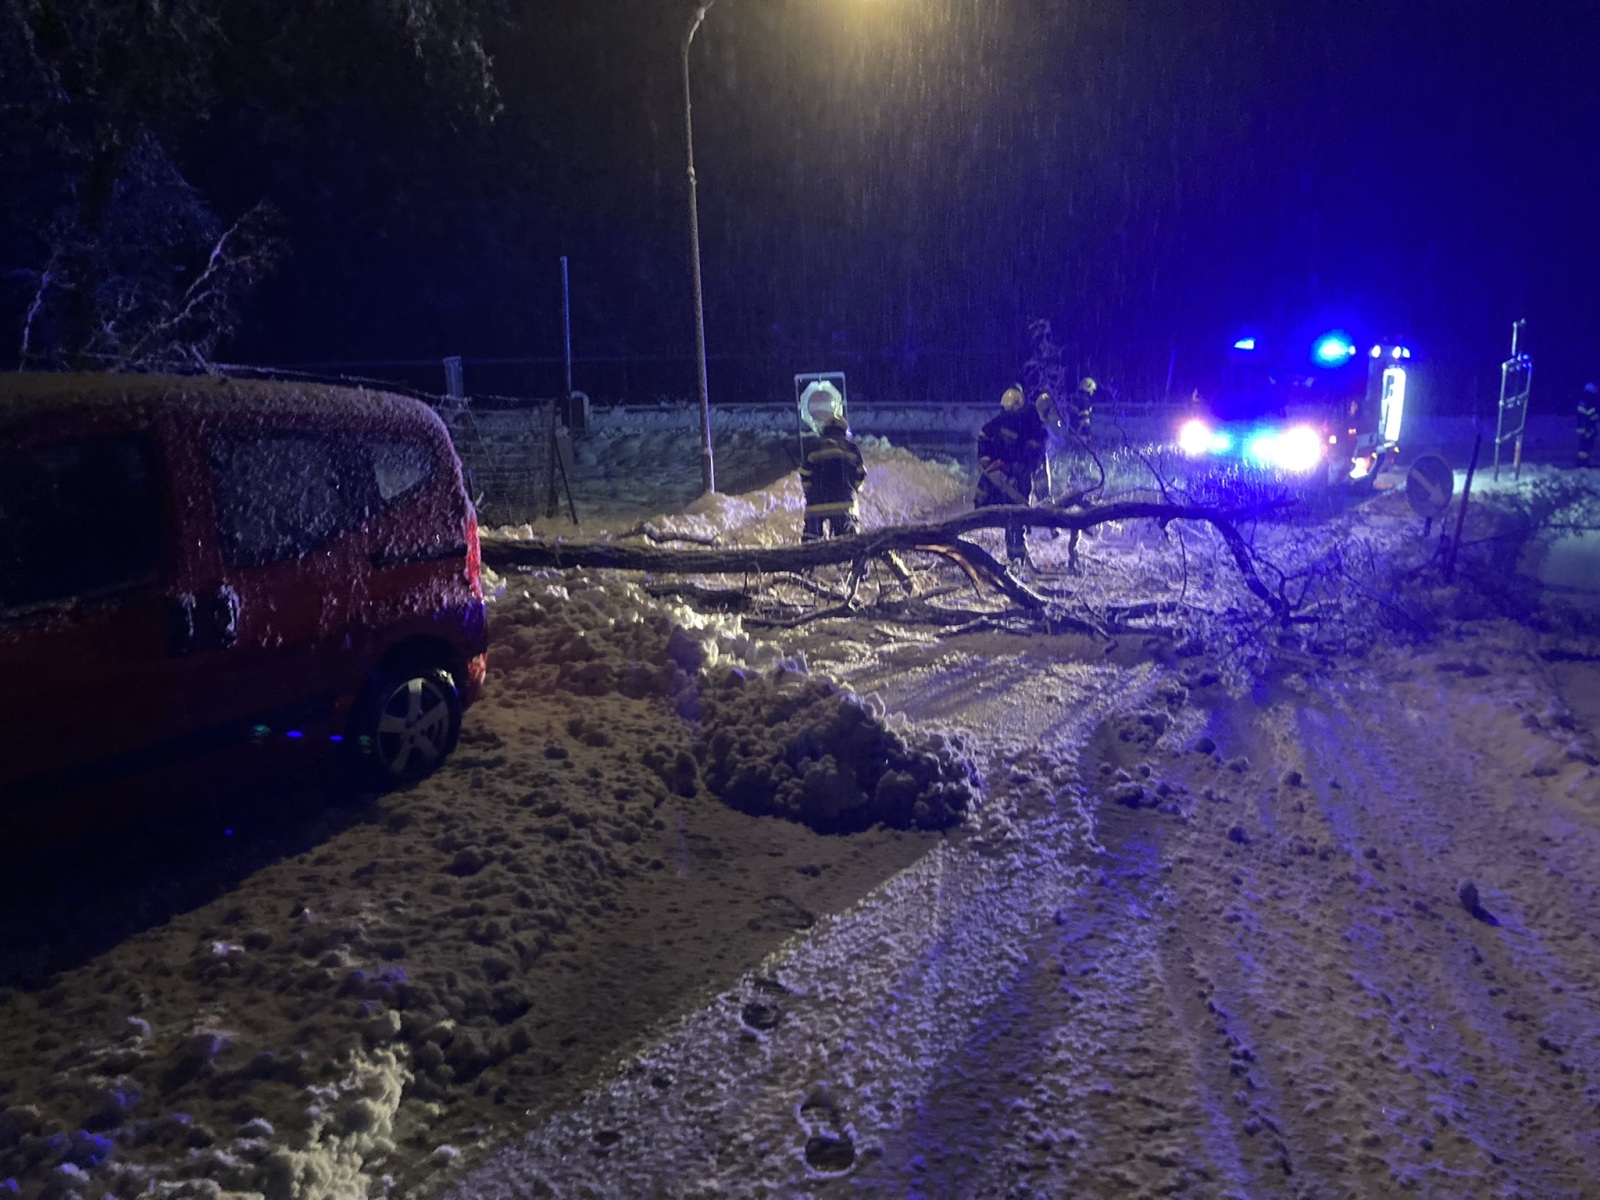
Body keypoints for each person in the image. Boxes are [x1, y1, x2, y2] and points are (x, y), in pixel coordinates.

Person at [975, 384, 1047, 568]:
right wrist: (987, 458)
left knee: (1016, 517)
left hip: (1019, 477)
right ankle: (1017, 559)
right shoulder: (1008, 422)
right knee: (1014, 517)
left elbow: (1035, 451)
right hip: (1008, 475)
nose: (1008, 416)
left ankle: (1018, 559)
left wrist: (1019, 465)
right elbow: (985, 436)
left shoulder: (1028, 425)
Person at [800, 415, 866, 541]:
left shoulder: (813, 448)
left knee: (811, 542)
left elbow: (805, 474)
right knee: (848, 543)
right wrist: (853, 490)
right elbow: (860, 474)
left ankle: (811, 551)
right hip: (845, 503)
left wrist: (810, 493)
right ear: (844, 431)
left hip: (816, 504)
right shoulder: (851, 448)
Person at [1067, 376, 1097, 441]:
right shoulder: (1084, 400)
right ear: (1088, 388)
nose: (1092, 392)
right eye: (1092, 390)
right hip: (1080, 435)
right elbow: (1084, 419)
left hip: (1072, 431)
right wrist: (1088, 434)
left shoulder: (1075, 399)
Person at [1579, 382, 1598, 469]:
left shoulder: (1583, 401)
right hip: (1588, 428)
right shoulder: (1589, 401)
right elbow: (1590, 415)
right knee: (1586, 446)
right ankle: (1583, 463)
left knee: (1583, 446)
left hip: (1583, 427)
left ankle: (1583, 462)